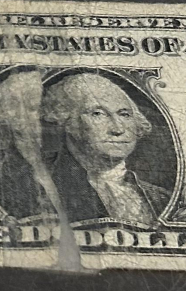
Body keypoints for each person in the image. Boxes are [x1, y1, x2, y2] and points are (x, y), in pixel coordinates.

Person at [40, 72, 171, 226]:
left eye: (124, 115)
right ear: (66, 120)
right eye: (98, 114)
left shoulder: (162, 199)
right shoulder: (38, 186)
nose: (118, 129)